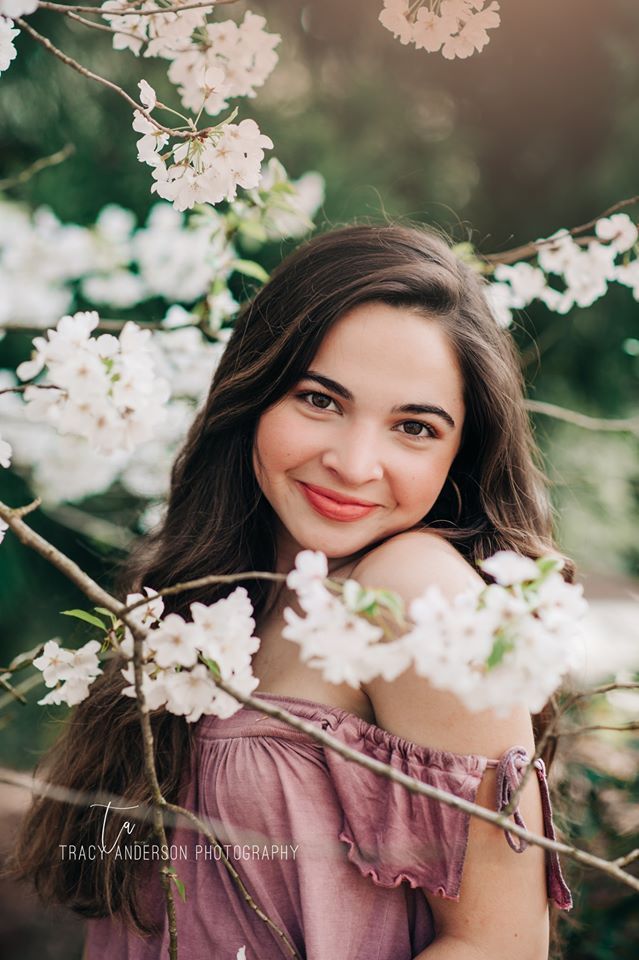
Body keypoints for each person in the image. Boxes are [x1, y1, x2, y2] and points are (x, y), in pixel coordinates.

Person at [11, 223, 573, 959]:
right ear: (255, 392)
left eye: (413, 426)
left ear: (458, 455)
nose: (353, 462)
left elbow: (498, 945)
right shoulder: (205, 592)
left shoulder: (417, 596)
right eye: (319, 400)